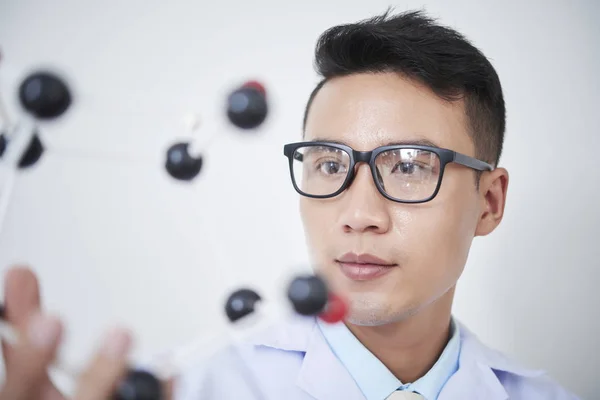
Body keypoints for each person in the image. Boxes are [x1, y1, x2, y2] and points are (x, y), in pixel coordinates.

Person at [0, 9, 580, 400]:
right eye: (330, 164)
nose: (359, 214)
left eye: (407, 167)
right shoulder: (187, 385)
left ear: (490, 202)